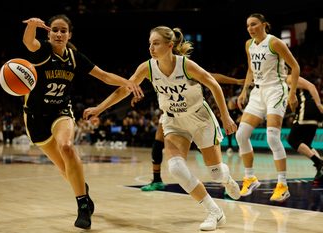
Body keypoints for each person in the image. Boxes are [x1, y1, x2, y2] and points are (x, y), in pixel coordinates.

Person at [84, 25, 241, 231]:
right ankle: (214, 211)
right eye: (150, 44)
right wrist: (100, 108)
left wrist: (226, 116)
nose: (151, 48)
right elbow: (125, 90)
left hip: (199, 118)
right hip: (173, 121)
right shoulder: (147, 67)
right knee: (175, 168)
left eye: (156, 43)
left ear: (170, 45)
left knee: (216, 174)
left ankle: (226, 179)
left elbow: (214, 84)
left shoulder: (186, 65)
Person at [21, 15, 143, 229]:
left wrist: (129, 82)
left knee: (67, 147)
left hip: (61, 111)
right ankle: (83, 191)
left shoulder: (74, 57)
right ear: (48, 34)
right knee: (64, 168)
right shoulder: (42, 52)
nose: (59, 34)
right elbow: (29, 42)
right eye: (55, 30)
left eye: (63, 30)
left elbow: (104, 76)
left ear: (69, 34)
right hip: (35, 118)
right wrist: (31, 26)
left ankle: (82, 207)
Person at [134, 75, 244, 192]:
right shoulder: (155, 68)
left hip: (194, 114)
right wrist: (136, 93)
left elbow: (212, 77)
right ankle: (157, 179)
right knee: (158, 142)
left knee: (212, 164)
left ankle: (223, 176)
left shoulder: (185, 67)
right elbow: (136, 80)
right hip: (170, 114)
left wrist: (236, 81)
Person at [236, 13, 300, 202]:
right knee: (241, 135)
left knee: (272, 136)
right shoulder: (249, 44)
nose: (250, 28)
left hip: (275, 90)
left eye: (254, 24)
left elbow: (295, 67)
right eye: (248, 25)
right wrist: (244, 90)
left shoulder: (275, 43)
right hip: (257, 92)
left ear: (264, 25)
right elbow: (250, 69)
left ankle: (282, 184)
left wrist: (293, 92)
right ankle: (250, 177)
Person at [286, 75, 323, 185]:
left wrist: (319, 104)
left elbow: (311, 86)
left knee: (292, 140)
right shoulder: (285, 83)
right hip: (310, 112)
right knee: (307, 144)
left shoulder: (289, 77)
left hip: (307, 109)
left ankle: (320, 163)